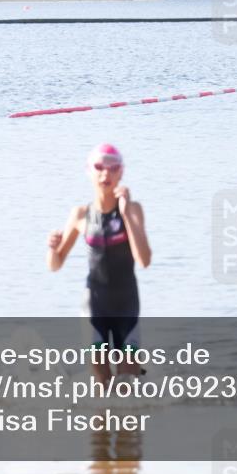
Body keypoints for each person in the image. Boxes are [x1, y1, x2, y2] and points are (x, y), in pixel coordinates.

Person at [47, 144, 152, 380]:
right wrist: (52, 249)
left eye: (113, 168)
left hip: (126, 305)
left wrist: (126, 214)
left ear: (121, 172)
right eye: (99, 167)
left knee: (127, 385)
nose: (106, 173)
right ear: (89, 171)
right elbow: (55, 264)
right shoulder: (80, 214)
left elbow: (144, 260)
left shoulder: (133, 210)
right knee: (101, 386)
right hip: (95, 305)